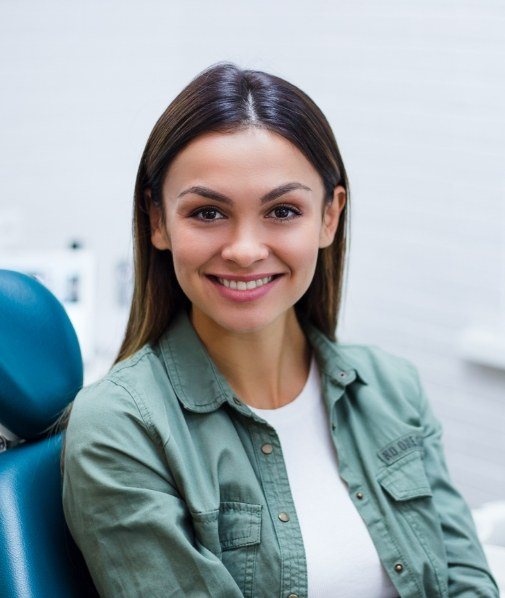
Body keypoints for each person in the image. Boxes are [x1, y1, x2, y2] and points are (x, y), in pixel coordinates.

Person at [60, 62, 499, 597]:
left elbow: (468, 583)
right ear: (158, 221)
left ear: (329, 217)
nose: (245, 250)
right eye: (206, 213)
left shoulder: (391, 387)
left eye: (283, 210)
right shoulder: (120, 426)